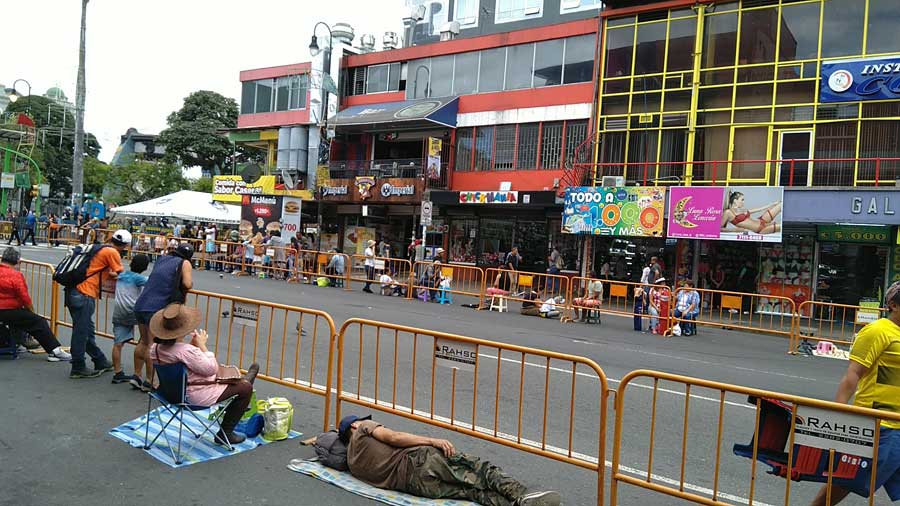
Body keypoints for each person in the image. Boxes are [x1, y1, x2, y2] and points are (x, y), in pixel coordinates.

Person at [340, 414, 560, 506]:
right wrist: (432, 440)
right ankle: (521, 495)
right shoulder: (363, 430)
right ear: (355, 426)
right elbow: (394, 437)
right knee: (479, 469)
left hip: (416, 487)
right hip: (420, 462)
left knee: (474, 493)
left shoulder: (353, 464)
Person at [810, 282, 900, 506]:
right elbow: (853, 374)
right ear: (893, 305)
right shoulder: (877, 331)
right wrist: (840, 412)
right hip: (880, 424)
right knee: (847, 482)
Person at [149, 303, 259, 446]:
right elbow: (210, 368)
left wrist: (193, 345)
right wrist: (201, 345)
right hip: (194, 395)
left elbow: (181, 358)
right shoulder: (186, 351)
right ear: (183, 330)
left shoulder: (155, 349)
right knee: (245, 389)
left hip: (167, 393)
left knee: (233, 381)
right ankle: (225, 434)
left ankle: (240, 382)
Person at [65, 229, 132, 378]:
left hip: (73, 290)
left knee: (86, 329)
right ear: (126, 245)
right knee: (81, 332)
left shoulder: (99, 248)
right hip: (85, 293)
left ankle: (99, 360)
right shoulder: (112, 252)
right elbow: (120, 273)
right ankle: (78, 366)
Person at [132, 243, 194, 391]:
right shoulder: (184, 263)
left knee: (143, 341)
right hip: (156, 307)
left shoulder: (162, 259)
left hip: (141, 304)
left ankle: (136, 375)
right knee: (153, 346)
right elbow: (187, 283)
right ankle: (149, 380)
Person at [0, 247, 72, 361]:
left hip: (5, 310)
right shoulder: (15, 275)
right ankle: (55, 350)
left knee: (19, 319)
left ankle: (16, 343)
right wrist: (31, 310)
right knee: (38, 321)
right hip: (8, 309)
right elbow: (24, 297)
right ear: (18, 261)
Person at [110, 254, 150, 384]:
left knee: (118, 344)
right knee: (145, 341)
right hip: (133, 312)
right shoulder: (138, 278)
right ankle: (141, 374)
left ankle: (117, 372)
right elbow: (153, 282)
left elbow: (112, 274)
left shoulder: (122, 275)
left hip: (119, 311)